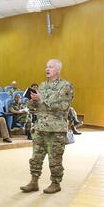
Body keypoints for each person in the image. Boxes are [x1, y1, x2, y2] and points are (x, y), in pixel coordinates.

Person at [21, 59, 73, 194]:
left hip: (56, 129)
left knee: (55, 158)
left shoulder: (65, 86)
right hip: (40, 127)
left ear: (58, 69)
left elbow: (63, 106)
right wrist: (32, 102)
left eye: (50, 67)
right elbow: (35, 108)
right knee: (36, 157)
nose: (47, 69)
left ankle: (55, 183)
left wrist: (42, 99)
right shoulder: (42, 86)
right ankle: (34, 182)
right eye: (46, 66)